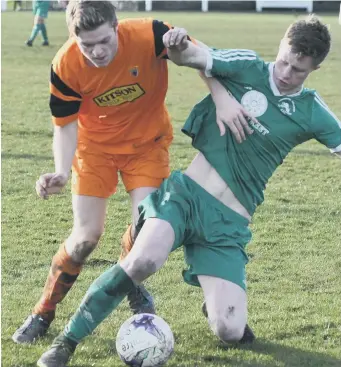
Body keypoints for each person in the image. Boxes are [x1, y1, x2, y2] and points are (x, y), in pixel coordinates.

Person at [37, 14, 341, 367]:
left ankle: (218, 302)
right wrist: (177, 44)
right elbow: (194, 58)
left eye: (298, 70)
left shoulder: (311, 110)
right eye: (285, 61)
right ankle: (66, 342)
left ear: (314, 70)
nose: (286, 74)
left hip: (227, 225)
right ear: (280, 47)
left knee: (229, 330)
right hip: (185, 197)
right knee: (143, 260)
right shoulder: (247, 66)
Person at [14, 1, 229, 345]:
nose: (97, 51)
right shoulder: (65, 64)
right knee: (85, 237)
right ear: (74, 38)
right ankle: (43, 311)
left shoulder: (152, 33)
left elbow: (206, 60)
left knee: (146, 230)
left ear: (117, 27)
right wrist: (60, 171)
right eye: (87, 45)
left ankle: (129, 276)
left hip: (147, 144)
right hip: (94, 149)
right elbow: (65, 125)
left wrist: (221, 97)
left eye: (104, 41)